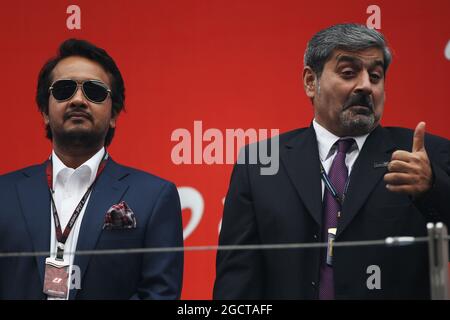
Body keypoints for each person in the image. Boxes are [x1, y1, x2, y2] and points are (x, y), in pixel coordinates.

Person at [213, 23, 450, 299]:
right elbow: (237, 281)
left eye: (375, 76)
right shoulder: (259, 161)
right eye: (348, 73)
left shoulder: (423, 155)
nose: (364, 86)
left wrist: (432, 190)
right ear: (311, 82)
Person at [0, 39, 184, 299]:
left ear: (113, 116)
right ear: (44, 111)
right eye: (64, 90)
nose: (78, 100)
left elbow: (158, 294)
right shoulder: (4, 194)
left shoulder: (154, 197)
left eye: (94, 92)